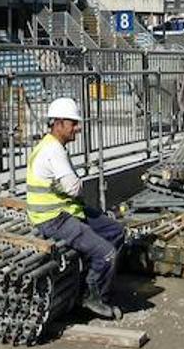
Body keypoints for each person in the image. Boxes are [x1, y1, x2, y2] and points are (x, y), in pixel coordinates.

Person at [26, 96, 125, 320]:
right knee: (107, 254)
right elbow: (74, 188)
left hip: (67, 211)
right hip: (53, 219)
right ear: (58, 123)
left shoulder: (52, 146)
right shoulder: (53, 151)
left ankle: (94, 280)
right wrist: (75, 185)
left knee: (116, 232)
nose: (78, 128)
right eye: (73, 123)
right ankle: (93, 296)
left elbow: (70, 188)